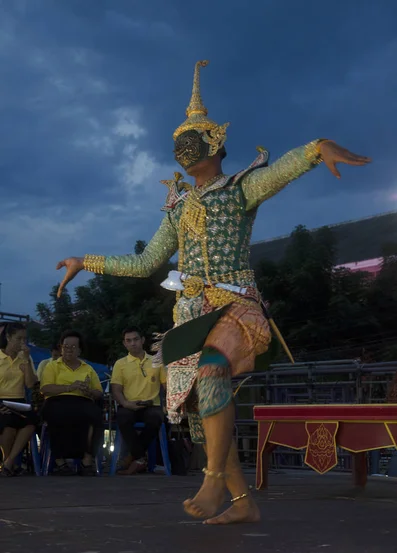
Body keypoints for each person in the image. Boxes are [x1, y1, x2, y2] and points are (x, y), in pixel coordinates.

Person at [55, 60, 371, 523]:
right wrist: (88, 261)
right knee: (205, 415)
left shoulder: (239, 189)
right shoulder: (178, 206)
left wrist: (315, 149)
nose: (184, 146)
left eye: (193, 138)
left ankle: (211, 481)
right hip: (190, 314)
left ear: (215, 143)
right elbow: (145, 263)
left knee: (212, 372)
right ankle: (243, 504)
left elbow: (280, 171)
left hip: (236, 306)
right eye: (179, 141)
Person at [40, 330, 103, 475]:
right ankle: (60, 461)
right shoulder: (52, 366)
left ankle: (87, 460)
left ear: (80, 350)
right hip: (57, 400)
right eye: (65, 346)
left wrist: (88, 391)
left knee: (96, 416)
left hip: (82, 400)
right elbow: (45, 388)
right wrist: (70, 387)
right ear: (61, 348)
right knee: (56, 414)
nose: (68, 349)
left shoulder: (88, 368)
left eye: (73, 347)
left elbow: (98, 392)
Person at [111, 327, 167, 475]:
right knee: (123, 417)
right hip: (129, 404)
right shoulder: (120, 364)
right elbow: (116, 389)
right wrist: (126, 403)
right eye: (128, 341)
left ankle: (133, 457)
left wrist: (170, 404)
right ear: (124, 344)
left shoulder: (157, 361)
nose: (133, 343)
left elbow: (166, 385)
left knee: (157, 418)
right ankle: (140, 458)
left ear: (142, 340)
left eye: (135, 339)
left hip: (151, 404)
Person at [0, 322, 38, 476]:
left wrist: (27, 362)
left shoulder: (24, 358)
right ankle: (9, 464)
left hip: (19, 401)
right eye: (18, 338)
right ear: (8, 337)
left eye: (25, 339)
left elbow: (30, 384)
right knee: (7, 427)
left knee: (31, 422)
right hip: (1, 400)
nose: (22, 343)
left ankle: (8, 463)